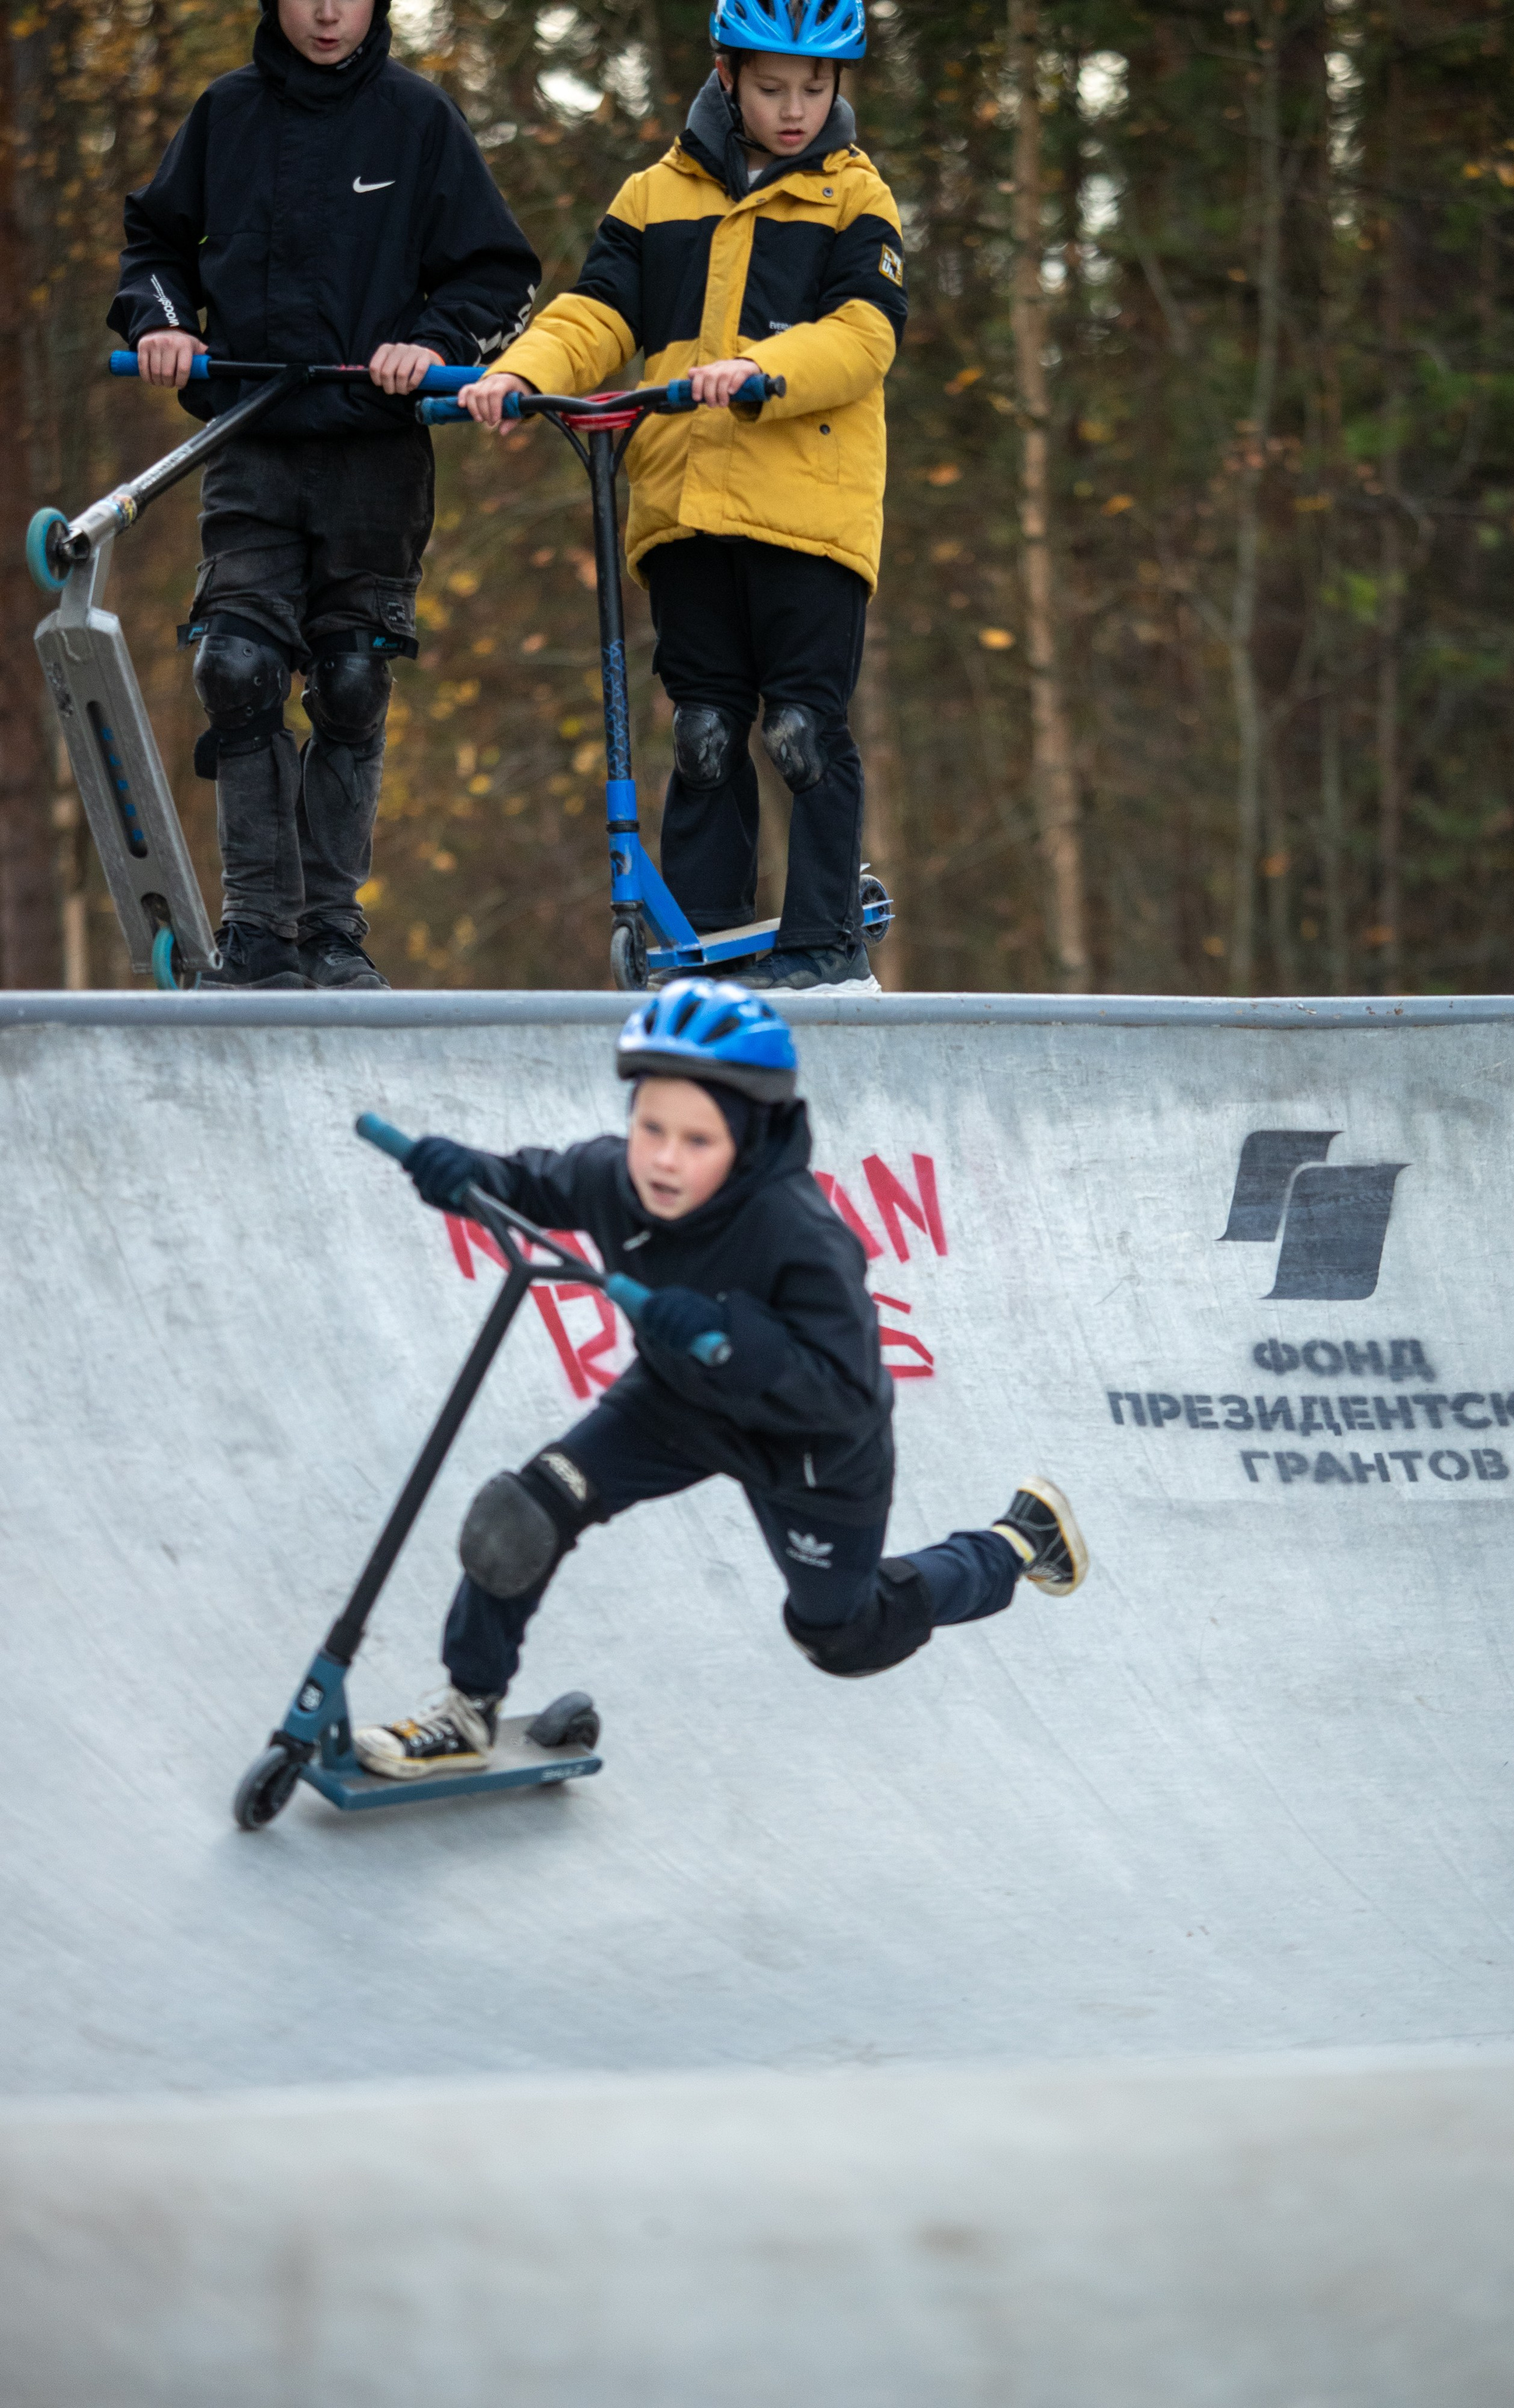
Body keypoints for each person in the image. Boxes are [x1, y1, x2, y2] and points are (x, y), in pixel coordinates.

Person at [354, 979, 1087, 1777]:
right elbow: (534, 1183)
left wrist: (737, 1341)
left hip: (810, 1451)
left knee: (843, 1635)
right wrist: (469, 1175)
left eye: (697, 1140)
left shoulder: (801, 1236)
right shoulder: (615, 1179)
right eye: (650, 1128)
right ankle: (468, 1709)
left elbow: (847, 1392)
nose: (665, 1159)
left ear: (748, 1138)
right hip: (676, 1405)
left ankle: (1016, 1542)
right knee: (521, 1516)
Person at [461, 0, 904, 997]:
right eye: (772, 87)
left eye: (816, 88)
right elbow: (596, 312)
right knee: (703, 733)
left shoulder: (855, 197)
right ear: (725, 74)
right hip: (685, 510)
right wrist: (523, 372)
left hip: (809, 514)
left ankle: (826, 945)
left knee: (801, 731)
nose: (795, 110)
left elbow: (865, 335)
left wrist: (763, 370)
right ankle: (702, 950)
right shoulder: (654, 196)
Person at [107, 0, 540, 990]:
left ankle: (331, 936)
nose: (329, 11)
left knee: (351, 679)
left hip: (375, 457)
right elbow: (153, 250)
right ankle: (260, 934)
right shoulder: (224, 114)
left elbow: (500, 275)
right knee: (237, 666)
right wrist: (163, 324)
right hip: (251, 441)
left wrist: (431, 343)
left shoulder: (418, 119)